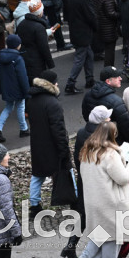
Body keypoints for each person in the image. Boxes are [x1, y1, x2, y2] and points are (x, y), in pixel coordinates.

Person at [77, 121, 129, 258]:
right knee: (111, 245)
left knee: (96, 244)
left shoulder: (86, 152)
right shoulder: (110, 154)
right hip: (110, 206)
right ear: (113, 135)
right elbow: (122, 178)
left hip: (94, 205)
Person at [26, 70, 73, 218]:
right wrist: (64, 149)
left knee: (38, 175)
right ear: (50, 84)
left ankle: (34, 205)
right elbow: (58, 129)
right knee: (67, 171)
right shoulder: (53, 103)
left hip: (37, 144)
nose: (58, 83)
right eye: (56, 81)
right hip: (53, 146)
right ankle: (74, 200)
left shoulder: (32, 100)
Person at [81, 66, 129, 145]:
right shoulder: (117, 102)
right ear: (108, 81)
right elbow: (125, 126)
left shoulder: (88, 95)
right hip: (113, 141)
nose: (121, 78)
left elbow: (86, 115)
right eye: (117, 77)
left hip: (94, 137)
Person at [0, 34, 30, 143]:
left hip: (7, 88)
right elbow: (22, 76)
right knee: (20, 106)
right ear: (18, 45)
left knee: (8, 107)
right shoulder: (18, 58)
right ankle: (24, 129)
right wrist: (27, 91)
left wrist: (0, 89)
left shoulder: (1, 57)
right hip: (18, 88)